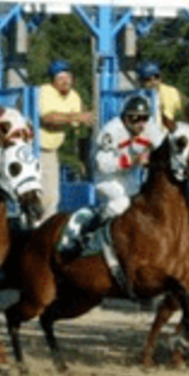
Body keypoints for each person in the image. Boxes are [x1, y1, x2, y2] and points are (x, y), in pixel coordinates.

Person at [61, 94, 157, 255]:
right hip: (106, 179)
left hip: (129, 176)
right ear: (125, 117)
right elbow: (101, 164)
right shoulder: (111, 131)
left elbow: (161, 145)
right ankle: (87, 228)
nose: (140, 123)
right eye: (134, 118)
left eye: (144, 118)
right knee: (122, 203)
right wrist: (132, 160)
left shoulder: (149, 127)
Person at [37, 59, 93, 218]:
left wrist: (90, 117)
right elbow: (48, 118)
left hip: (52, 150)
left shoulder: (74, 96)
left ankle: (45, 226)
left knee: (51, 195)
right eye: (60, 78)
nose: (65, 81)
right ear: (53, 81)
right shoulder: (45, 91)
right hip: (34, 148)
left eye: (67, 77)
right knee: (44, 195)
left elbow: (78, 122)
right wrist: (78, 116)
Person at [138, 60, 184, 125]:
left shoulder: (171, 92)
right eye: (148, 79)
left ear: (161, 77)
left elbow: (178, 114)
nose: (153, 82)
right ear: (141, 81)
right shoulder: (139, 98)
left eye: (156, 77)